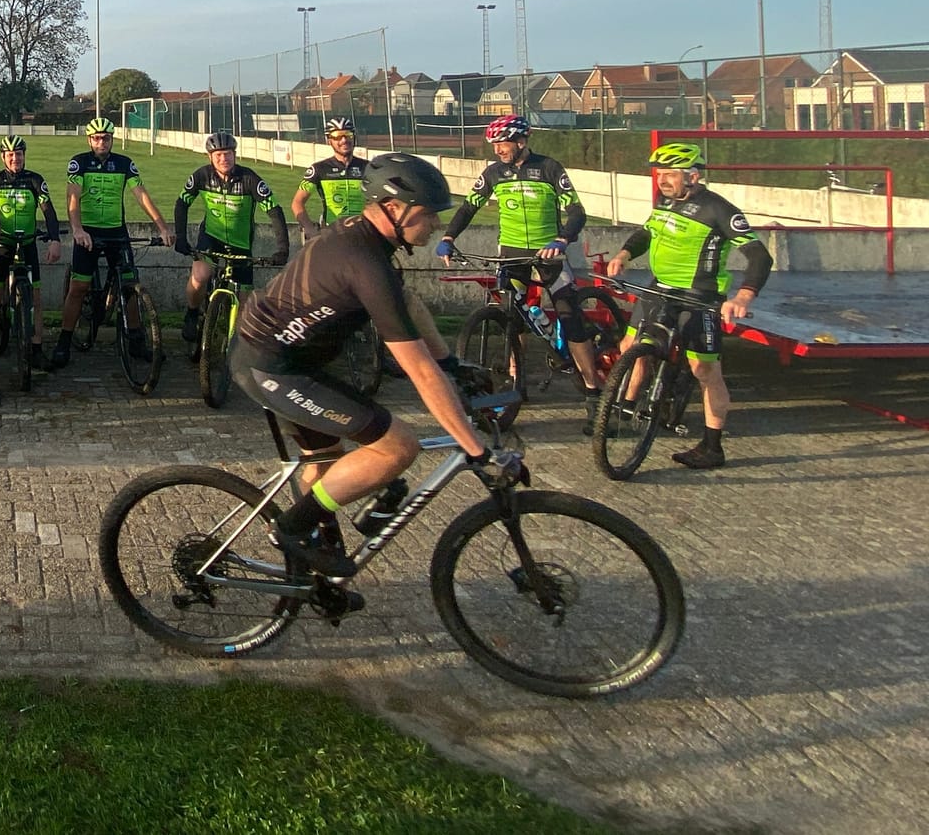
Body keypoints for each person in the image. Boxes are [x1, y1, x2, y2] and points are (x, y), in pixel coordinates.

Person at [229, 153, 497, 578]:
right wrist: (476, 449)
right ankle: (291, 530)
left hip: (292, 362)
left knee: (324, 462)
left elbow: (406, 305)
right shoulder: (366, 262)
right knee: (398, 447)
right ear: (395, 209)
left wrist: (452, 362)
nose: (434, 226)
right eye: (428, 215)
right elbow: (419, 372)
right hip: (272, 368)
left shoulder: (367, 241)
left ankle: (319, 571)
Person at [602, 142, 771, 470]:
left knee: (704, 370)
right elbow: (647, 232)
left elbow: (759, 255)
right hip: (658, 288)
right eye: (659, 174)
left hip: (698, 297)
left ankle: (712, 446)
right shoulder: (664, 200)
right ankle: (623, 410)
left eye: (670, 174)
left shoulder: (719, 210)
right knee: (630, 346)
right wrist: (624, 254)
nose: (662, 180)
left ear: (693, 176)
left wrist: (743, 296)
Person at [436, 114, 604, 432]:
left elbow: (576, 212)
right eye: (495, 144)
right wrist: (448, 237)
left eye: (503, 143)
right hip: (511, 255)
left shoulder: (550, 168)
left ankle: (593, 393)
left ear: (521, 141)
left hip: (549, 253)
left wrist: (562, 239)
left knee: (570, 318)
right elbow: (468, 207)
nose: (498, 149)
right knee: (513, 318)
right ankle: (517, 381)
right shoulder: (494, 173)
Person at [56, 117, 171, 369]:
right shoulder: (79, 162)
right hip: (88, 233)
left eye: (106, 138)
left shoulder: (124, 164)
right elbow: (72, 198)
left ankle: (136, 342)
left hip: (116, 233)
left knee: (130, 286)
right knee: (78, 287)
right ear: (89, 140)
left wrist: (163, 228)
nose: (101, 142)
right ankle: (63, 342)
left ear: (112, 139)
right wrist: (77, 229)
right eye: (96, 138)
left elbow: (141, 195)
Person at [174, 131, 289, 362]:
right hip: (211, 237)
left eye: (227, 154)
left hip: (240, 243)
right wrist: (180, 237)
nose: (223, 159)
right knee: (200, 275)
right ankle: (192, 312)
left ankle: (236, 347)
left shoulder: (249, 178)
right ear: (210, 157)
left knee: (245, 299)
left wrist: (283, 249)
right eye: (217, 155)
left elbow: (274, 211)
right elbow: (181, 203)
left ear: (235, 155)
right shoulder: (202, 176)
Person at [0, 136, 61, 376]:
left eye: (19, 154)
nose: (15, 158)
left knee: (36, 300)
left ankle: (36, 349)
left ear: (24, 156)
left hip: (27, 244)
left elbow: (47, 210)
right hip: (2, 246)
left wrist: (55, 239)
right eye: (10, 155)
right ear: (3, 157)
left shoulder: (34, 180)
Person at [290, 118, 368, 232]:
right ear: (329, 140)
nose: (344, 140)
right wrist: (310, 231)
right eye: (337, 136)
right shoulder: (319, 169)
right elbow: (297, 202)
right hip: (333, 234)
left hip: (363, 233)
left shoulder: (368, 167)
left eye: (348, 134)